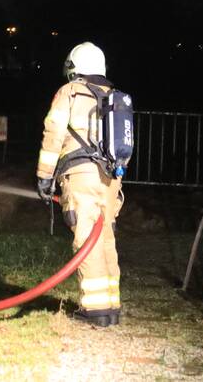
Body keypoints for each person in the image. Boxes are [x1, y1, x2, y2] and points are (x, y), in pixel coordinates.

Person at [36, 41, 124, 327]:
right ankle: (110, 307)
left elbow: (54, 133)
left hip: (81, 174)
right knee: (106, 237)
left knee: (87, 238)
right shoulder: (111, 95)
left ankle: (95, 311)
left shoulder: (70, 93)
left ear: (74, 67)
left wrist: (44, 174)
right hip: (111, 178)